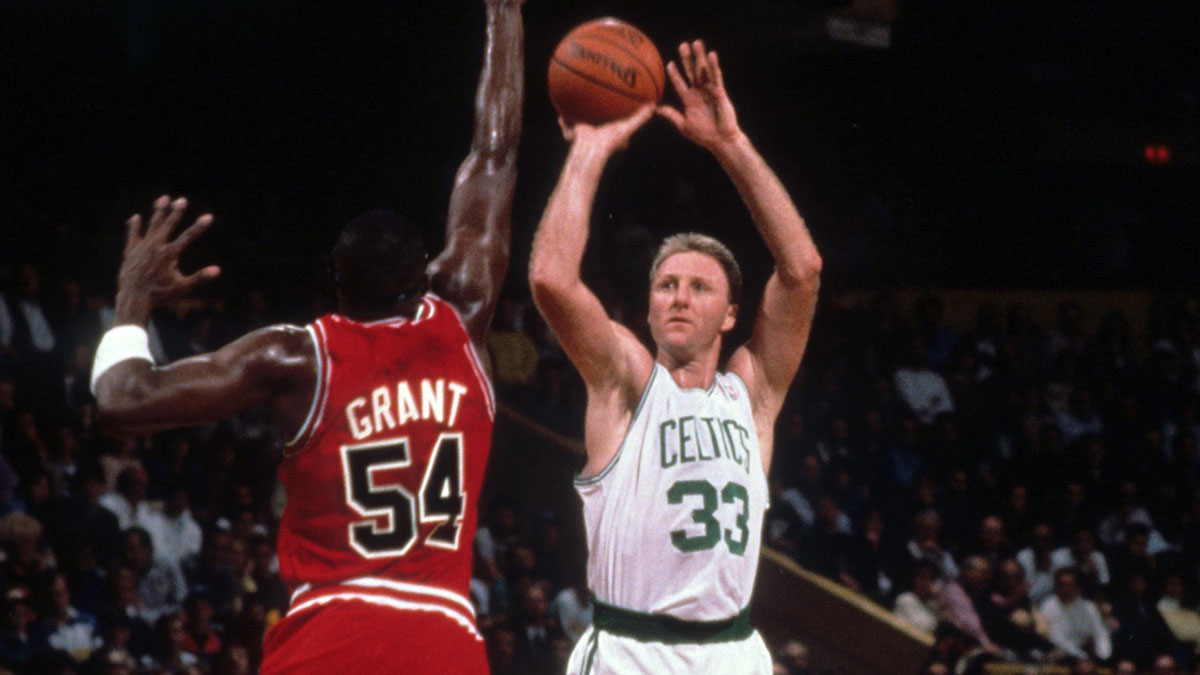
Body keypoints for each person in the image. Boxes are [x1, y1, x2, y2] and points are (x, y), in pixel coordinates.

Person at [90, 0, 525, 671]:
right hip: (442, 639)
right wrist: (505, 15)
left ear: (334, 285)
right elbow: (493, 152)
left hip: (330, 631)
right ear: (426, 277)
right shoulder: (462, 311)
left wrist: (132, 299)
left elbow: (120, 402)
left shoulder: (295, 354)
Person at [529, 39, 822, 674]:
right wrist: (589, 149)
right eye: (666, 285)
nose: (679, 298)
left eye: (699, 287)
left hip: (733, 654)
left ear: (731, 315)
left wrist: (730, 144)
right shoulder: (627, 380)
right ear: (649, 304)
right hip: (632, 652)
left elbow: (801, 271)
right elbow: (552, 278)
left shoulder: (752, 390)